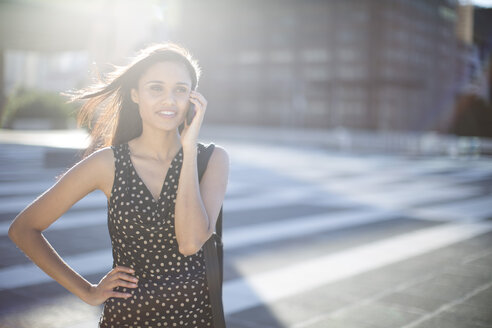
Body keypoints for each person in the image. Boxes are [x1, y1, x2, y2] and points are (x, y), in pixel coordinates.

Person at [8, 42, 230, 327]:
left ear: (193, 98)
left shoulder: (211, 160)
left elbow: (189, 242)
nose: (169, 100)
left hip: (195, 321)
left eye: (180, 90)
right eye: (156, 88)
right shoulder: (108, 163)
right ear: (136, 94)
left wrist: (187, 153)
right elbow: (23, 229)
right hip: (126, 320)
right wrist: (87, 291)